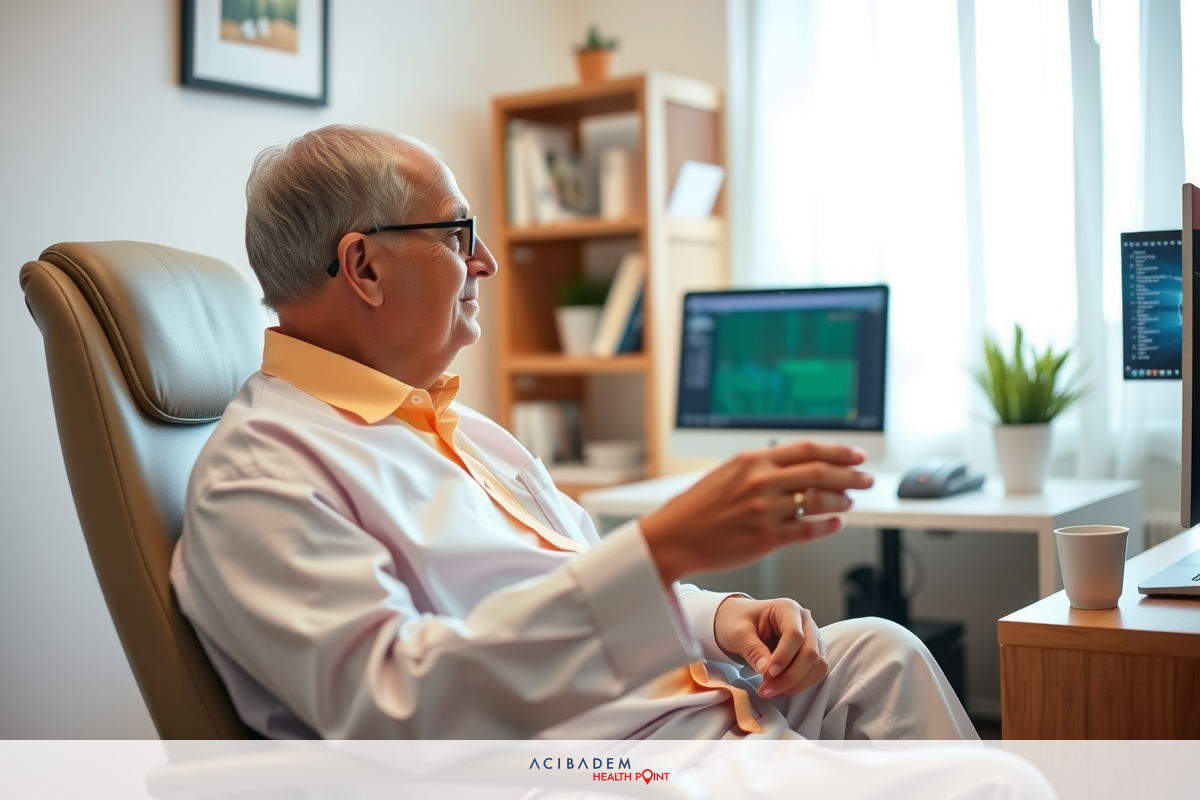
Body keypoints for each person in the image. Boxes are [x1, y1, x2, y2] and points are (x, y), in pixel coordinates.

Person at [171, 124, 976, 742]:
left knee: (879, 650)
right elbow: (398, 705)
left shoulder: (466, 432)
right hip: (588, 760)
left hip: (675, 702)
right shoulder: (262, 473)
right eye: (457, 234)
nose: (484, 261)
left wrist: (720, 612)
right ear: (365, 268)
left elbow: (577, 578)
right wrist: (660, 551)